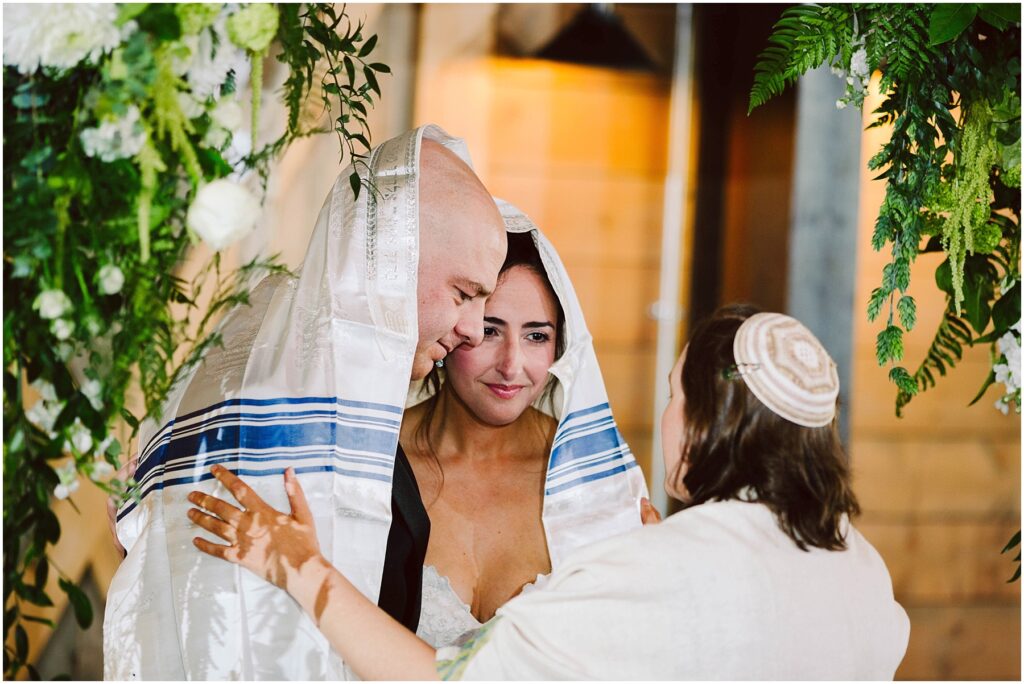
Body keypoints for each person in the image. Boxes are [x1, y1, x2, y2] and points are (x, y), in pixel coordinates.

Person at [187, 304, 911, 680]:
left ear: (709, 425)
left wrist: (296, 565)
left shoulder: (657, 568)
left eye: (674, 397)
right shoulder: (863, 568)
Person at [104, 125, 507, 680]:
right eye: (464, 294)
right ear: (393, 253)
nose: (471, 330)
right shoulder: (267, 394)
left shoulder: (349, 398)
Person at [403, 204, 650, 647]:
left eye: (537, 336)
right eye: (491, 331)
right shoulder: (379, 456)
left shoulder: (586, 474)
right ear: (452, 328)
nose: (511, 366)